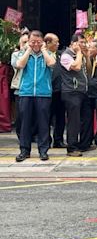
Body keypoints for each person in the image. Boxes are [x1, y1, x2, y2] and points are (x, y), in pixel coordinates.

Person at [15, 30, 56, 162]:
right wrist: (28, 50)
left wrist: (44, 50)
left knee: (43, 123)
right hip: (26, 92)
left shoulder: (48, 53)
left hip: (43, 93)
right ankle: (24, 150)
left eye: (38, 42)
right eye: (33, 42)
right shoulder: (22, 54)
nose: (35, 44)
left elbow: (51, 63)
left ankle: (43, 150)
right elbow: (19, 65)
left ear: (43, 42)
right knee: (25, 123)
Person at [60, 34, 90, 157]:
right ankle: (71, 147)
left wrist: (86, 56)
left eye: (84, 42)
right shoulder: (66, 55)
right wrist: (79, 53)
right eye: (81, 42)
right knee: (74, 120)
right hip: (71, 92)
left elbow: (88, 70)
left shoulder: (80, 55)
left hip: (82, 91)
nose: (83, 45)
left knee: (85, 118)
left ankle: (83, 144)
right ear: (73, 43)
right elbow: (76, 67)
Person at [44, 33, 66, 148]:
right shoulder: (43, 55)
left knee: (60, 116)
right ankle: (46, 140)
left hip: (59, 90)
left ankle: (59, 140)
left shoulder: (60, 55)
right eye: (55, 42)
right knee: (46, 117)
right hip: (47, 91)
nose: (58, 44)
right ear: (47, 43)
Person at [10, 33, 29, 140]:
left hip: (32, 89)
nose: (26, 44)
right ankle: (21, 136)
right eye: (24, 42)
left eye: (28, 42)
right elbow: (17, 65)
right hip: (20, 88)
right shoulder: (16, 54)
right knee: (20, 115)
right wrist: (25, 51)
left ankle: (32, 135)